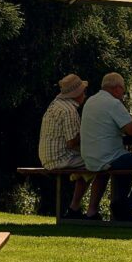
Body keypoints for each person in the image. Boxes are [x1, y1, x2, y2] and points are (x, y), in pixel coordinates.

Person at [80, 71, 132, 221]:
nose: (123, 94)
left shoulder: (90, 101)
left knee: (126, 163)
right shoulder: (113, 103)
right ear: (117, 88)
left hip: (91, 157)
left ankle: (120, 204)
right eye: (123, 90)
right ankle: (127, 206)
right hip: (109, 157)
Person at [36, 73, 90, 218]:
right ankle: (79, 208)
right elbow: (72, 142)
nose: (85, 95)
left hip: (47, 157)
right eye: (83, 92)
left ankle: (75, 208)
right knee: (98, 162)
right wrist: (88, 132)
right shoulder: (69, 110)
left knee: (89, 164)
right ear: (77, 94)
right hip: (61, 158)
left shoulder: (55, 105)